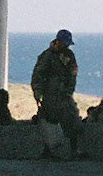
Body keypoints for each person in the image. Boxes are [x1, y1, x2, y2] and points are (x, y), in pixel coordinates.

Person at [31, 29, 85, 159]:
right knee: (50, 121)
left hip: (64, 95)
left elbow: (73, 74)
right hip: (51, 95)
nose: (66, 46)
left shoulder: (69, 55)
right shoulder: (47, 56)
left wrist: (69, 90)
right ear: (58, 41)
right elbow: (38, 75)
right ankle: (48, 151)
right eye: (64, 43)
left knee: (72, 120)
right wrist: (38, 93)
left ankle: (73, 150)